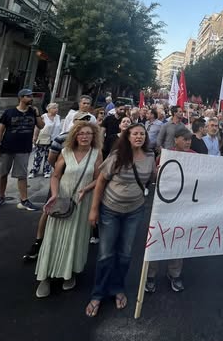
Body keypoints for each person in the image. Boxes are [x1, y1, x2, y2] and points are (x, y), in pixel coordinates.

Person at [86, 123, 155, 316]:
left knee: (125, 254)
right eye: (135, 134)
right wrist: (94, 210)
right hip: (110, 210)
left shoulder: (150, 156)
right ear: (127, 136)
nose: (139, 137)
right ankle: (98, 294)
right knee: (105, 254)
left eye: (142, 134)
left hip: (135, 211)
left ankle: (117, 288)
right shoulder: (117, 156)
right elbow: (101, 181)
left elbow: (154, 178)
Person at [35, 122, 102, 298]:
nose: (85, 136)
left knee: (75, 237)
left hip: (82, 201)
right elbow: (56, 176)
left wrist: (86, 189)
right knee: (53, 236)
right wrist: (54, 195)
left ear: (93, 136)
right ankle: (45, 277)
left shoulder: (96, 153)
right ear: (75, 136)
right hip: (62, 199)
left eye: (88, 133)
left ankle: (69, 273)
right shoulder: (66, 152)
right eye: (81, 133)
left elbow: (99, 178)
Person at [22, 113, 94, 262]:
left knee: (75, 216)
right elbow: (51, 159)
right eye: (80, 120)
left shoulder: (92, 142)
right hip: (62, 181)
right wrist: (63, 173)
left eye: (86, 120)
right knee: (50, 211)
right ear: (74, 121)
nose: (83, 123)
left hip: (81, 184)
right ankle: (39, 242)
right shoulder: (62, 138)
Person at [145, 127, 194, 295]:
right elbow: (154, 178)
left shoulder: (195, 156)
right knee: (157, 238)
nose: (188, 142)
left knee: (179, 239)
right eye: (184, 139)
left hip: (184, 206)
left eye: (189, 139)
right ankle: (150, 275)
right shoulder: (166, 155)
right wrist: (158, 171)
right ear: (176, 140)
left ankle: (175, 274)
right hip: (164, 205)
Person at [0, 89, 44, 211]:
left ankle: (24, 200)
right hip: (7, 148)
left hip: (24, 149)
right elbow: (0, 131)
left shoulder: (32, 112)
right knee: (2, 173)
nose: (31, 98)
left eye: (31, 96)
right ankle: (1, 197)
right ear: (21, 98)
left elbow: (41, 126)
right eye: (28, 96)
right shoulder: (9, 112)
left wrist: (37, 114)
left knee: (22, 175)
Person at [29, 103, 61, 179]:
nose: (56, 109)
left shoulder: (58, 117)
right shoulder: (43, 116)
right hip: (43, 139)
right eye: (54, 108)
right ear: (49, 109)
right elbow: (37, 127)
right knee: (38, 156)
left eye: (57, 108)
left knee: (49, 157)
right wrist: (35, 137)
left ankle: (47, 171)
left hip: (54, 140)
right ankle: (34, 171)